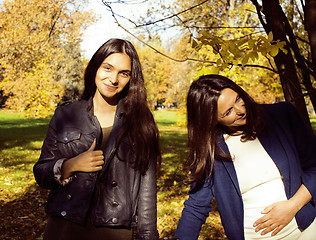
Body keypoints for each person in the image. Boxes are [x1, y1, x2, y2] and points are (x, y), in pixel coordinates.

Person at [33, 38, 161, 240]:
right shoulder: (66, 114)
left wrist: (148, 236)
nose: (114, 79)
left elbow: (147, 191)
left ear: (131, 78)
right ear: (95, 68)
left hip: (113, 231)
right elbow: (41, 173)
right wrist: (69, 165)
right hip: (64, 226)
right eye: (107, 68)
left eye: (123, 73)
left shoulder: (141, 122)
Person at [174, 74, 316, 240]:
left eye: (238, 98)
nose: (241, 110)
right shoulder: (210, 149)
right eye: (228, 112)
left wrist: (293, 205)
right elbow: (197, 206)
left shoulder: (282, 116)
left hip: (306, 232)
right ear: (212, 120)